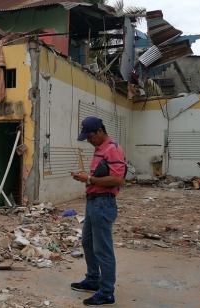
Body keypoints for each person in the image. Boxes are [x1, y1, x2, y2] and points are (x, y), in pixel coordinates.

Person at [70, 116, 126, 306]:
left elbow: (118, 180)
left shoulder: (113, 149)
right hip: (93, 202)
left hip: (103, 203)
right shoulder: (99, 149)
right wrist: (86, 178)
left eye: (90, 136)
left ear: (100, 132)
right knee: (87, 242)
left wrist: (89, 179)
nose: (88, 140)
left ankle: (107, 292)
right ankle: (93, 279)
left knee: (103, 249)